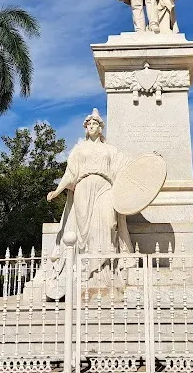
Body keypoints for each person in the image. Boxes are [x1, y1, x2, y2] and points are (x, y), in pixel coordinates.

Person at [45, 108, 134, 291]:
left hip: (105, 187)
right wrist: (58, 190)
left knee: (110, 224)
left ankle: (107, 273)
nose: (92, 126)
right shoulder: (79, 149)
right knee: (84, 232)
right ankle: (87, 273)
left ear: (101, 128)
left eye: (95, 124)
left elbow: (124, 169)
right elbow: (70, 173)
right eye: (89, 124)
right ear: (86, 128)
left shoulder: (110, 150)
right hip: (84, 188)